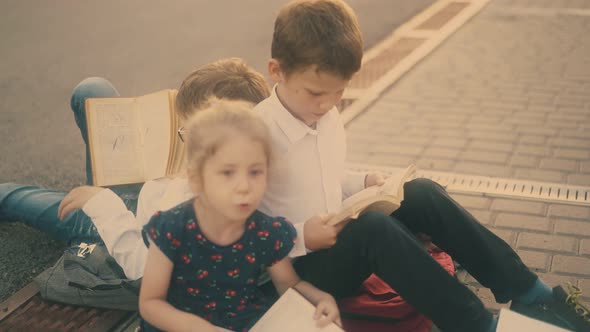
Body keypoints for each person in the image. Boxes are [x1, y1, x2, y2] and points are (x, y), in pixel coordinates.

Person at [252, 0, 590, 331]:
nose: (327, 104)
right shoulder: (256, 135)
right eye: (315, 93)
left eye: (339, 92)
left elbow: (324, 175)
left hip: (335, 240)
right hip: (294, 270)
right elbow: (236, 220)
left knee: (421, 193)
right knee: (374, 229)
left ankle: (532, 294)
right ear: (276, 71)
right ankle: (477, 325)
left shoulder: (323, 116)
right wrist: (300, 236)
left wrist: (365, 182)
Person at [0, 58, 272, 304]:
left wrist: (100, 203)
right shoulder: (247, 160)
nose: (184, 137)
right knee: (93, 90)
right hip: (147, 186)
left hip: (116, 225)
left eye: (186, 132)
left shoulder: (195, 205)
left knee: (10, 197)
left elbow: (143, 269)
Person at [138, 100, 340, 332]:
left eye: (255, 172)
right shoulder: (173, 227)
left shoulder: (264, 231)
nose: (244, 186)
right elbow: (150, 303)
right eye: (227, 173)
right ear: (196, 178)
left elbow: (289, 284)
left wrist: (322, 298)